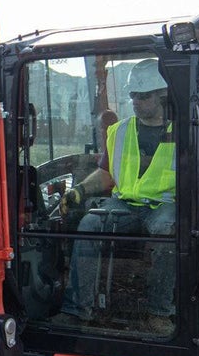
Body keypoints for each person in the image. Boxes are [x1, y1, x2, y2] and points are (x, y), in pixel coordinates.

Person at [61, 58, 176, 325]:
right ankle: (78, 310)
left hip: (165, 204)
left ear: (162, 96)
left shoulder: (184, 131)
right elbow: (106, 173)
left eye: (143, 96)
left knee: (168, 230)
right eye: (133, 95)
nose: (136, 101)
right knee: (89, 224)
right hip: (125, 204)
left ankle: (158, 312)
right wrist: (80, 189)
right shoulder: (120, 131)